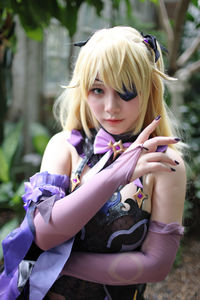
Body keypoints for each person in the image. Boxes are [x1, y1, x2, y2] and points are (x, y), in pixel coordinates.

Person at [0, 26, 186, 300]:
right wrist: (114, 176)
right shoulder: (64, 147)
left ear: (149, 89)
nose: (110, 107)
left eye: (126, 91)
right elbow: (42, 235)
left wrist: (57, 264)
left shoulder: (165, 164)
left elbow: (156, 266)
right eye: (97, 89)